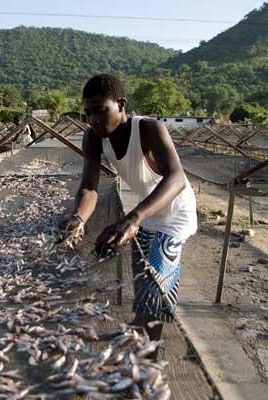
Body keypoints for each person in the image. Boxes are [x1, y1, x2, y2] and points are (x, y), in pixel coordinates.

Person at [62, 74, 197, 345]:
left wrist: (133, 219)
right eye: (88, 113)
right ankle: (139, 338)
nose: (94, 120)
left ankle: (147, 360)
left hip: (173, 215)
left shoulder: (148, 129)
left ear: (120, 104)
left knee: (155, 290)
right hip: (145, 212)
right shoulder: (93, 138)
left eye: (101, 111)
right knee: (142, 283)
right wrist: (78, 219)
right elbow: (89, 187)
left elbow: (177, 178)